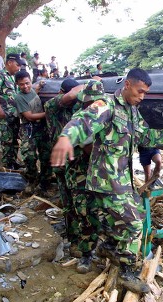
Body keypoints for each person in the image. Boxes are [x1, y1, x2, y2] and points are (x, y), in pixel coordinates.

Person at [50, 68, 163, 293]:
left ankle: (109, 249)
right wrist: (66, 137)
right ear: (128, 85)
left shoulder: (132, 112)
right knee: (133, 224)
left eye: (145, 93)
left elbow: (144, 135)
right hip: (106, 182)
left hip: (121, 181)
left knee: (118, 222)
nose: (142, 97)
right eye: (140, 91)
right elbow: (84, 121)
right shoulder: (106, 105)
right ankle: (126, 272)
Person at [64, 79, 105, 273]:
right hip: (80, 175)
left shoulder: (106, 116)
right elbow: (88, 148)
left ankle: (104, 247)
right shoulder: (80, 118)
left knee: (102, 213)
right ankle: (86, 253)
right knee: (85, 213)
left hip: (99, 175)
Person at [44, 78, 83, 251]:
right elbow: (71, 95)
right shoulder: (52, 106)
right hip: (62, 163)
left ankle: (82, 235)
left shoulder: (75, 107)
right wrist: (90, 84)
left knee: (80, 201)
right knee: (68, 201)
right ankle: (73, 238)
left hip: (77, 163)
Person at [14, 70, 52, 193]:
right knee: (29, 156)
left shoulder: (32, 91)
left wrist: (40, 84)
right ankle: (32, 179)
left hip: (42, 127)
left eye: (27, 83)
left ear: (30, 81)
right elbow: (29, 116)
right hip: (29, 128)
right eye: (21, 84)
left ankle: (45, 180)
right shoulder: (19, 97)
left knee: (46, 155)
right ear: (17, 85)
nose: (25, 86)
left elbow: (34, 90)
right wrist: (48, 114)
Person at [0, 53, 24, 170]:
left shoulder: (13, 78)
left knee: (14, 139)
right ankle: (7, 165)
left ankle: (13, 162)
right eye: (17, 65)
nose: (19, 67)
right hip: (3, 114)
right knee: (6, 140)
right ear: (9, 63)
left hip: (13, 114)